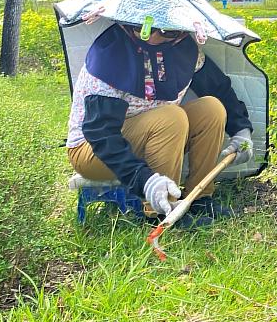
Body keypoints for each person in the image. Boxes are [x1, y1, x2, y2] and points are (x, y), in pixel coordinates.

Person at [66, 21, 253, 228]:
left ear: (180, 31)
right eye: (142, 27)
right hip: (93, 150)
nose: (152, 38)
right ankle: (161, 211)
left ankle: (198, 199)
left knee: (211, 108)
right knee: (171, 116)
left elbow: (219, 89)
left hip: (155, 135)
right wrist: (144, 180)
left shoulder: (185, 50)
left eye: (167, 31)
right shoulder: (111, 53)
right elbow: (100, 134)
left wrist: (241, 130)